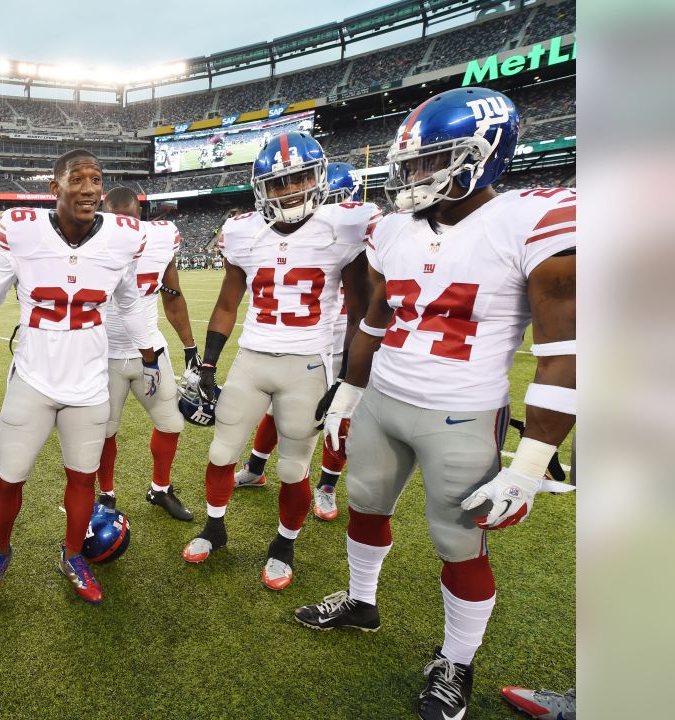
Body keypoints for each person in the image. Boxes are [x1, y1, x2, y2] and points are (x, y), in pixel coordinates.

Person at [293, 87, 576, 720]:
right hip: (384, 401)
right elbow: (375, 317)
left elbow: (566, 353)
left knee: (460, 542)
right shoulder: (391, 227)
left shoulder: (532, 220)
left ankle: (457, 660)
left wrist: (529, 464)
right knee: (364, 507)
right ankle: (362, 602)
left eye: (433, 161)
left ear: (485, 156)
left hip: (464, 414)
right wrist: (349, 390)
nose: (415, 176)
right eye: (414, 162)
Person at [0, 149, 160, 607]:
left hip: (89, 383)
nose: (89, 188)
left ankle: (73, 554)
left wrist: (151, 357)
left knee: (82, 480)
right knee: (7, 480)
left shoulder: (123, 236)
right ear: (54, 188)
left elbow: (130, 303)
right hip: (34, 379)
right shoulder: (22, 229)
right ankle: (0, 554)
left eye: (96, 180)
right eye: (77, 179)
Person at [185, 131, 380, 594]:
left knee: (293, 469)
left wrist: (349, 381)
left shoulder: (343, 226)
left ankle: (284, 545)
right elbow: (228, 303)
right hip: (252, 358)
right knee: (219, 452)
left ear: (319, 178)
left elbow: (359, 310)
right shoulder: (242, 231)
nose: (289, 191)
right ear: (261, 189)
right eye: (278, 183)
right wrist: (208, 365)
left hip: (308, 364)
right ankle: (215, 527)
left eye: (299, 180)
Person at [234, 161, 370, 522]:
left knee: (336, 418)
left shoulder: (359, 231)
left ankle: (326, 486)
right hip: (309, 338)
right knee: (273, 412)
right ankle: (256, 467)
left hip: (346, 338)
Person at [95, 187, 200, 521]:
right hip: (104, 354)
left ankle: (160, 488)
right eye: (116, 223)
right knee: (104, 431)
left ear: (140, 217)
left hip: (149, 352)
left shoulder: (162, 238)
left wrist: (191, 348)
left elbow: (172, 294)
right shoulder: (88, 239)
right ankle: (106, 494)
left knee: (170, 423)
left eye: (130, 222)